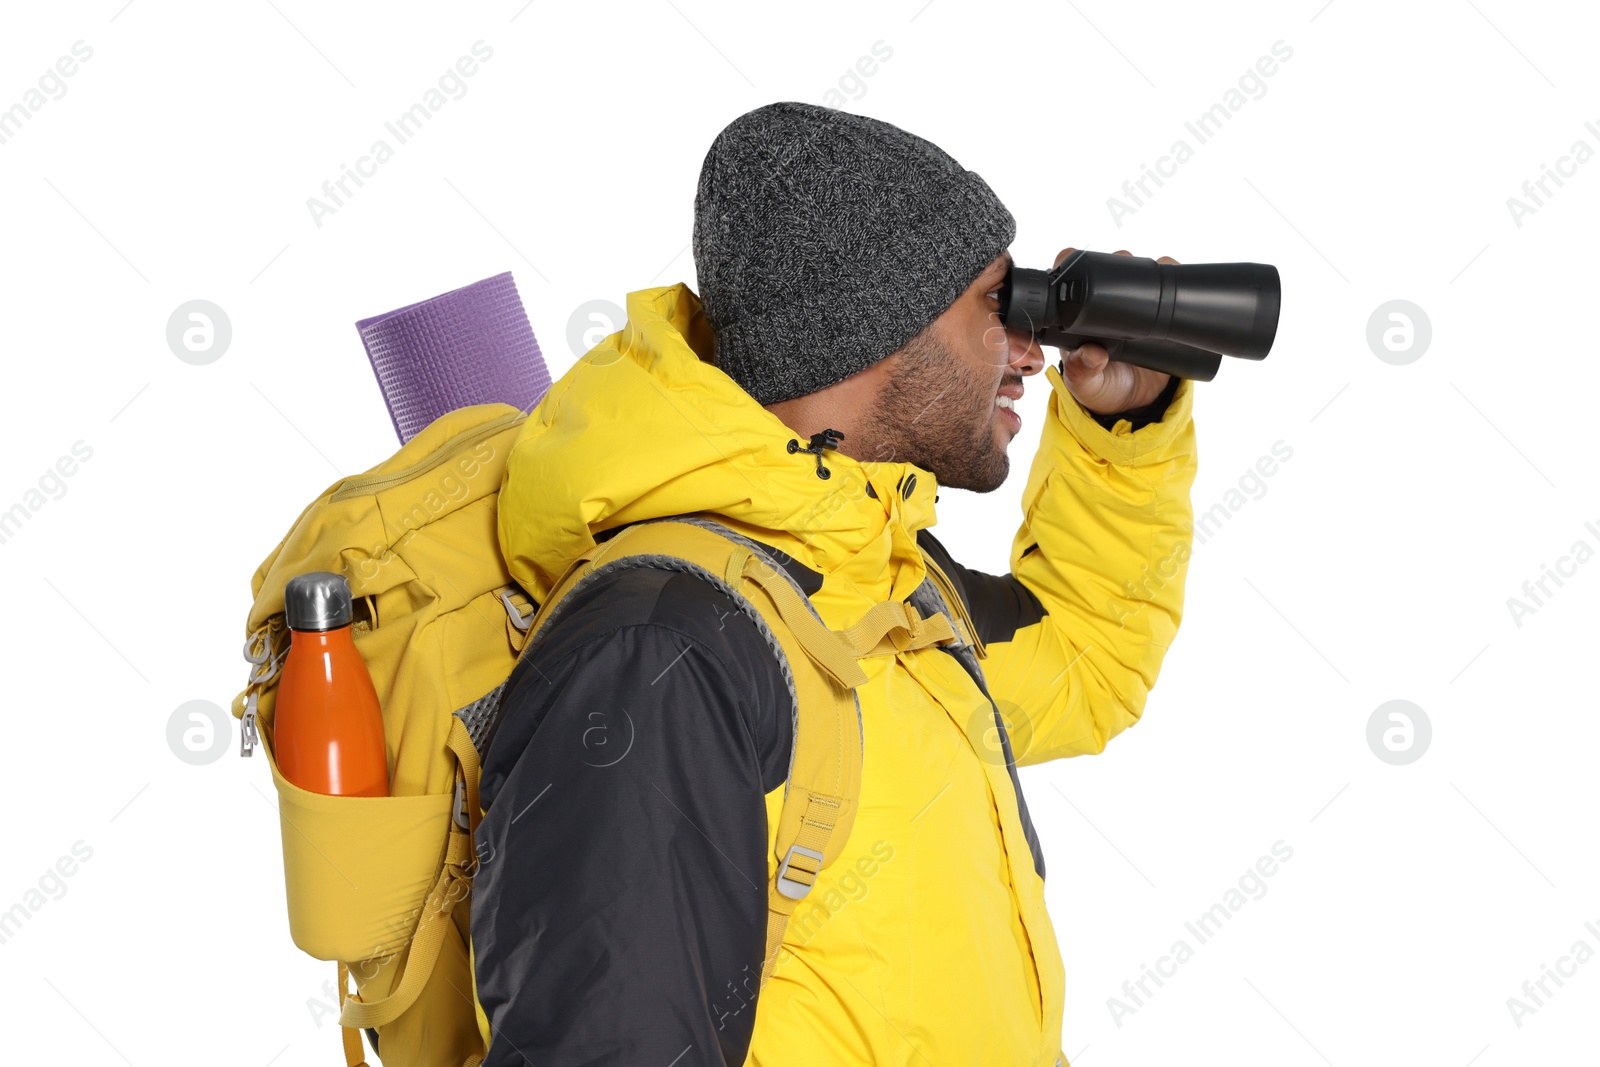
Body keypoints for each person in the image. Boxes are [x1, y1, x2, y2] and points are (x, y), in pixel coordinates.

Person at [472, 100, 1197, 1066]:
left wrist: (1124, 426)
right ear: (874, 330)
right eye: (997, 304)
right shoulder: (663, 645)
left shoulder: (883, 583)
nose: (1034, 352)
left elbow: (1086, 658)